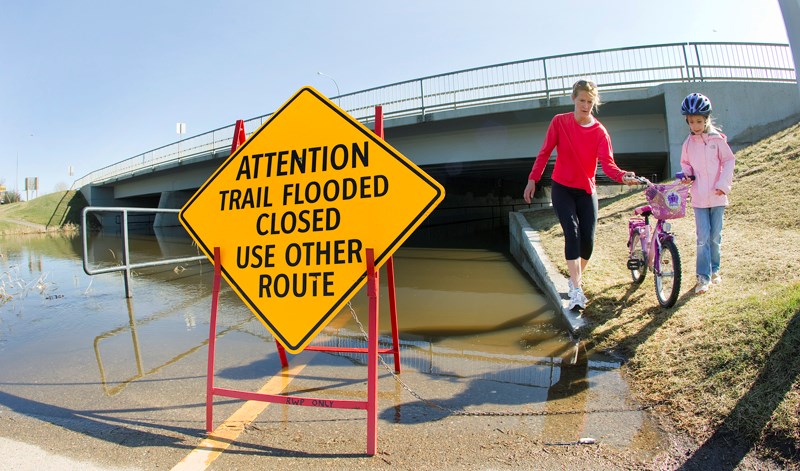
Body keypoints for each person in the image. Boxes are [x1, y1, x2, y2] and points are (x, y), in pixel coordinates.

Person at [523, 79, 636, 310]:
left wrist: (623, 176)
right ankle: (576, 288)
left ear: (594, 103)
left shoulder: (600, 132)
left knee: (588, 242)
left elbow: (609, 165)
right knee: (572, 233)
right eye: (582, 100)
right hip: (562, 187)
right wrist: (532, 179)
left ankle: (575, 278)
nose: (585, 105)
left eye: (590, 102)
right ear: (574, 98)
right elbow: (544, 152)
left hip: (586, 190)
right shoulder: (560, 122)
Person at [678, 92, 735, 295]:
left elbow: (729, 160)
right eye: (691, 121)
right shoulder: (687, 144)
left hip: (718, 196)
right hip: (700, 198)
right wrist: (687, 175)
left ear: (707, 119)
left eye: (699, 121)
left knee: (714, 237)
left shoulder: (716, 140)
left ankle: (715, 270)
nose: (695, 126)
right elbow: (686, 165)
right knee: (702, 237)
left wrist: (723, 184)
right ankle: (702, 277)